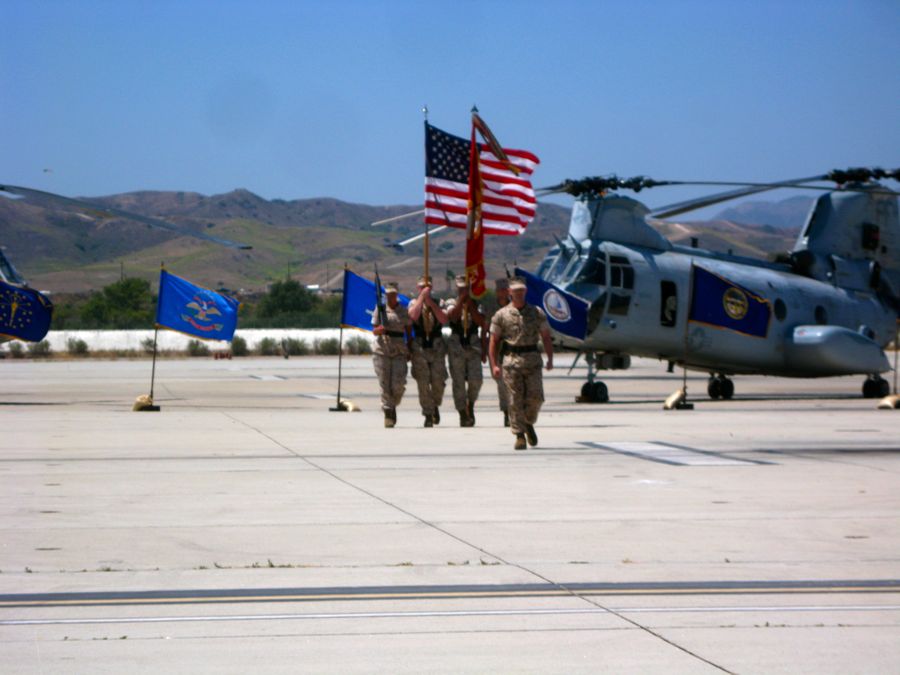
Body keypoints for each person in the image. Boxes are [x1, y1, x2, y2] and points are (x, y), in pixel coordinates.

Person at [488, 277, 554, 450]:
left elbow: (546, 336)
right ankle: (519, 435)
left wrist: (550, 358)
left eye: (522, 291)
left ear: (525, 292)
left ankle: (528, 422)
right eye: (515, 291)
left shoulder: (536, 312)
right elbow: (493, 341)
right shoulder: (501, 315)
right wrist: (494, 364)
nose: (519, 294)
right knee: (514, 399)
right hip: (510, 361)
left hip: (532, 359)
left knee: (536, 397)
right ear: (510, 293)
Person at [445, 275, 487, 426]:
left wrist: (470, 305)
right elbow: (452, 317)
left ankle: (471, 404)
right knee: (458, 382)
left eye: (466, 288)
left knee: (476, 380)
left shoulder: (477, 303)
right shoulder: (450, 302)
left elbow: (481, 322)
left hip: (473, 343)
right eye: (461, 288)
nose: (463, 290)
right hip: (456, 345)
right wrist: (460, 302)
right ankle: (462, 412)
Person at [407, 275, 448, 427]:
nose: (425, 289)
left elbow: (444, 319)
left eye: (427, 287)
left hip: (436, 346)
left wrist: (431, 303)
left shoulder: (440, 302)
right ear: (418, 288)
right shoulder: (413, 303)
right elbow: (412, 317)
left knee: (438, 382)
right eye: (422, 287)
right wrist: (422, 299)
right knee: (423, 383)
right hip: (420, 346)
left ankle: (435, 404)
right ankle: (428, 413)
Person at [372, 282, 410, 428]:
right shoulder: (380, 308)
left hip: (399, 350)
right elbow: (374, 329)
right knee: (384, 383)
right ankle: (388, 413)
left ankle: (393, 404)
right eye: (388, 294)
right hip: (382, 349)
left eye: (393, 294)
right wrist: (379, 329)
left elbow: (408, 329)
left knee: (398, 385)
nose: (390, 297)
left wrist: (410, 348)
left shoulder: (402, 310)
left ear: (397, 294)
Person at [489, 277, 511, 427]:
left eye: (504, 290)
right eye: (499, 290)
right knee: (502, 386)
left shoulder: (515, 307)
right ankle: (506, 413)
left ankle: (515, 413)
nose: (501, 293)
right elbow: (487, 331)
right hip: (499, 352)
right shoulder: (492, 308)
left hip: (512, 351)